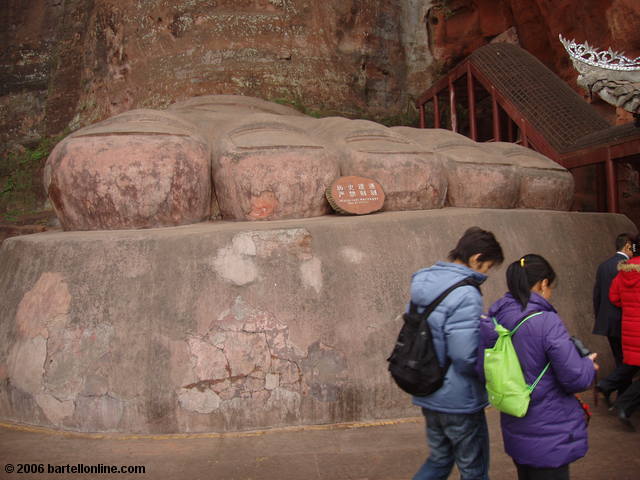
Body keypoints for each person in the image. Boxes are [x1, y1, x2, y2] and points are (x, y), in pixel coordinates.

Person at [478, 254, 598, 480]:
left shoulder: (495, 318)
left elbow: (482, 367)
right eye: (550, 286)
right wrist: (588, 365)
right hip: (549, 430)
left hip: (516, 421)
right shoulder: (546, 321)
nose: (550, 292)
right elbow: (576, 378)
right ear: (543, 283)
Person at [410, 226, 504, 480]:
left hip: (427, 388)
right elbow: (464, 355)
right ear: (476, 259)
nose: (486, 274)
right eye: (487, 267)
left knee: (440, 460)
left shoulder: (425, 281)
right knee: (473, 468)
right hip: (458, 398)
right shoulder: (466, 293)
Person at [592, 233, 635, 368]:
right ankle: (618, 386)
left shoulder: (603, 266)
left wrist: (599, 315)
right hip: (625, 320)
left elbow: (597, 295)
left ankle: (621, 387)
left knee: (618, 357)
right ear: (627, 246)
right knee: (629, 360)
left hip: (607, 320)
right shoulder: (629, 267)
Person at [609, 253, 640, 430]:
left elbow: (614, 298)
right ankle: (624, 404)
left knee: (631, 365)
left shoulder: (622, 273)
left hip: (629, 328)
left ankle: (610, 390)